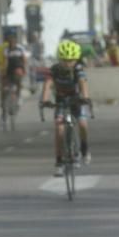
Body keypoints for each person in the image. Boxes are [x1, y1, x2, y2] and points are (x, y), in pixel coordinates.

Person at [41, 40, 92, 176]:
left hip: (77, 100)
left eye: (71, 60)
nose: (68, 63)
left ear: (76, 59)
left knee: (82, 124)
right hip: (61, 101)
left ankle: (85, 148)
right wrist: (45, 100)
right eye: (64, 60)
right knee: (59, 129)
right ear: (59, 59)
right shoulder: (54, 70)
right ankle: (59, 161)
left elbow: (83, 83)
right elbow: (47, 84)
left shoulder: (78, 69)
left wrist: (85, 97)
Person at [0, 28, 28, 119]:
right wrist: (3, 72)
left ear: (15, 39)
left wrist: (24, 69)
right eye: (9, 39)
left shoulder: (20, 48)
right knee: (3, 87)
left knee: (18, 81)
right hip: (9, 70)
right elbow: (6, 62)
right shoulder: (6, 50)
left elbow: (24, 60)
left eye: (13, 38)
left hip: (18, 69)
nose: (11, 40)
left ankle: (18, 97)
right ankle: (3, 106)